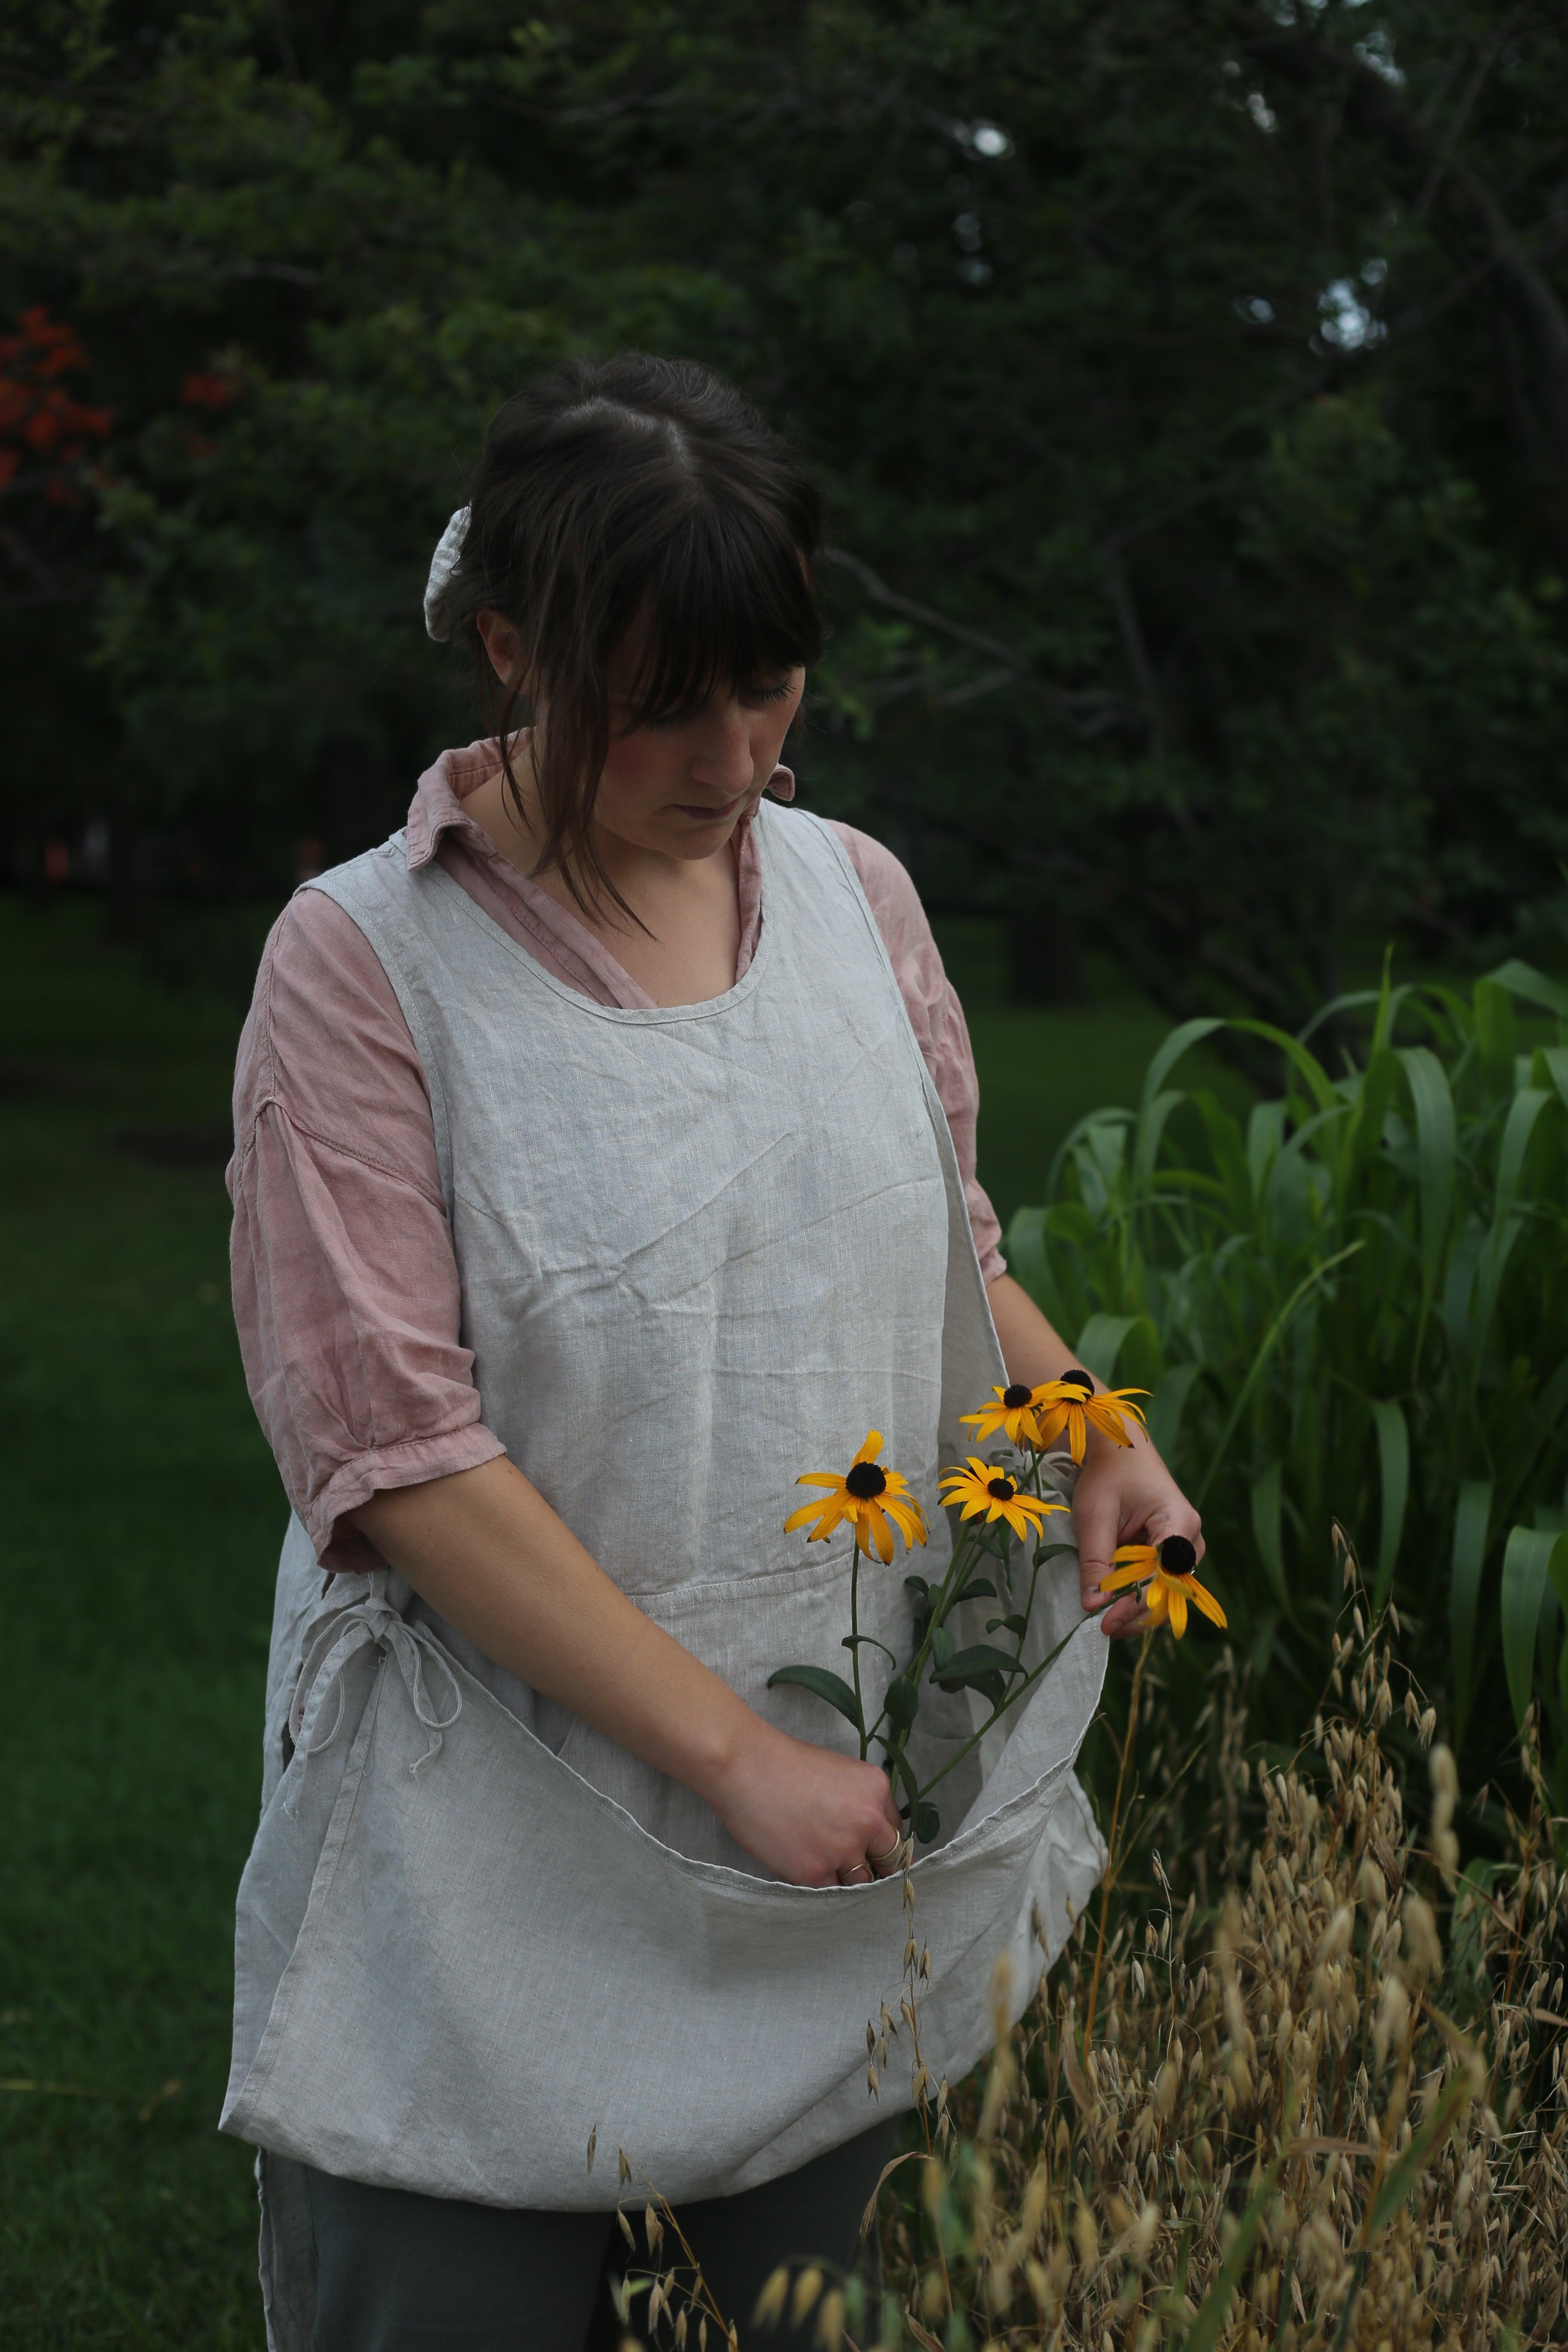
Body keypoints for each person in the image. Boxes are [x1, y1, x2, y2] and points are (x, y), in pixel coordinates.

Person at [222, 353, 1203, 2352]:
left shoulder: (858, 898)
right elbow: (397, 1460)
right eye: (663, 700)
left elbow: (949, 1252)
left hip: (841, 1817)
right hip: (498, 1844)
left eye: (768, 689)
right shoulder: (366, 964)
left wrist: (1088, 1425)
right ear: (512, 649)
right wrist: (729, 1751)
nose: (731, 750)